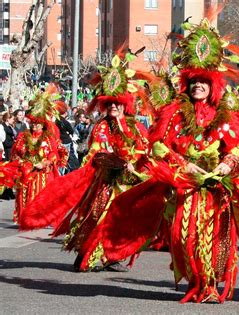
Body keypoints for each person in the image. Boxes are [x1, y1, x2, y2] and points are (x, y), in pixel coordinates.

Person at [99, 16, 239, 303]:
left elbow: (236, 148)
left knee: (215, 237)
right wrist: (184, 164)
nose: (198, 87)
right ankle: (196, 280)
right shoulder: (174, 114)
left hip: (215, 186)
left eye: (203, 82)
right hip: (185, 186)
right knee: (183, 237)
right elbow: (160, 148)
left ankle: (210, 286)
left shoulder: (222, 116)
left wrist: (224, 165)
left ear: (213, 85)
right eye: (194, 82)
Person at [19, 50, 151, 272]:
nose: (113, 108)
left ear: (125, 104)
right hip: (106, 183)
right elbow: (98, 152)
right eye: (109, 104)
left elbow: (144, 150)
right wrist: (116, 161)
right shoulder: (100, 126)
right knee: (96, 218)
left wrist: (134, 163)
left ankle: (112, 256)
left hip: (128, 183)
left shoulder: (137, 127)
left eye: (117, 104)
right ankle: (85, 254)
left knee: (121, 222)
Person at [9, 86, 69, 223]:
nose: (35, 126)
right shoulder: (23, 137)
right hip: (27, 171)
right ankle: (26, 217)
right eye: (33, 123)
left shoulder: (49, 138)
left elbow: (55, 153)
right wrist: (23, 163)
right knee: (25, 195)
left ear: (43, 125)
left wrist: (45, 163)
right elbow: (15, 154)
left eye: (37, 124)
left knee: (42, 195)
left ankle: (40, 217)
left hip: (43, 173)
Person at [55, 101, 80, 174]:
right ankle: (63, 173)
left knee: (60, 159)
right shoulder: (65, 122)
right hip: (66, 142)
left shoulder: (56, 121)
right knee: (65, 159)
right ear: (65, 113)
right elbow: (71, 131)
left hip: (59, 142)